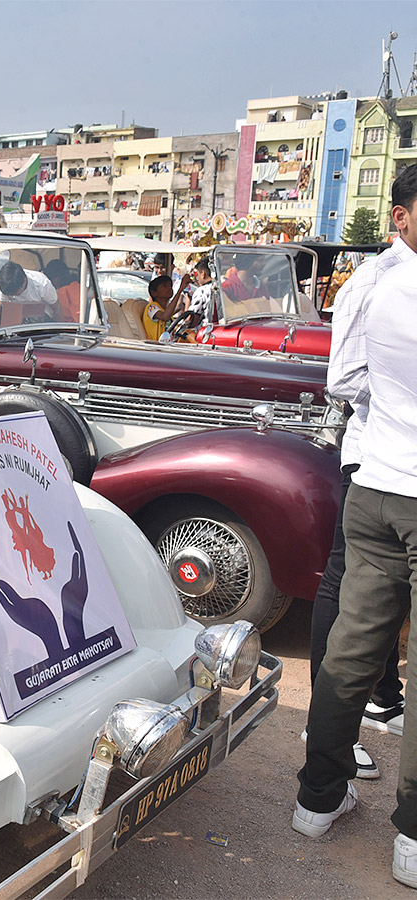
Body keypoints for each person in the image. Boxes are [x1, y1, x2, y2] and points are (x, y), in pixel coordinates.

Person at [293, 252, 417, 888]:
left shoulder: (385, 285)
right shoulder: (384, 280)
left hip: (379, 480)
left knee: (352, 643)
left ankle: (317, 796)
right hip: (391, 480)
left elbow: (348, 378)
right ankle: (413, 836)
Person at [305, 164, 417, 781]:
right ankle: (326, 731)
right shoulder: (372, 281)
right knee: (347, 593)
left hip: (394, 458)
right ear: (399, 216)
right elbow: (342, 378)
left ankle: (379, 698)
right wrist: (401, 398)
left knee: (375, 606)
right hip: (375, 457)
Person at [0, 262, 58, 327]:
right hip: (15, 318)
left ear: (24, 281)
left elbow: (57, 307)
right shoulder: (5, 282)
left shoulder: (42, 284)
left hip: (42, 320)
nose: (12, 296)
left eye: (14, 293)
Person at [141, 272, 191, 341]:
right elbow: (165, 317)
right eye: (164, 286)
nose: (169, 288)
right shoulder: (152, 307)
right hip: (155, 347)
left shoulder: (165, 309)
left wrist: (183, 289)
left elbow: (179, 306)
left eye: (170, 285)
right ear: (154, 293)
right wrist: (179, 290)